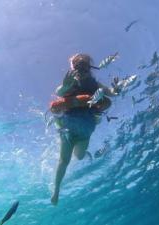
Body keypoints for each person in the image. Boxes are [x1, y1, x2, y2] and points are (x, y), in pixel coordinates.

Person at [51, 53, 120, 205]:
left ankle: (82, 153)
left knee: (80, 156)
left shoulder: (96, 85)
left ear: (91, 68)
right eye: (77, 67)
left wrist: (117, 90)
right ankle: (56, 189)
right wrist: (65, 86)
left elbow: (111, 93)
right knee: (64, 161)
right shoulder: (70, 83)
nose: (81, 71)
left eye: (84, 67)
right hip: (67, 129)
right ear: (73, 69)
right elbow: (59, 92)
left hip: (85, 132)